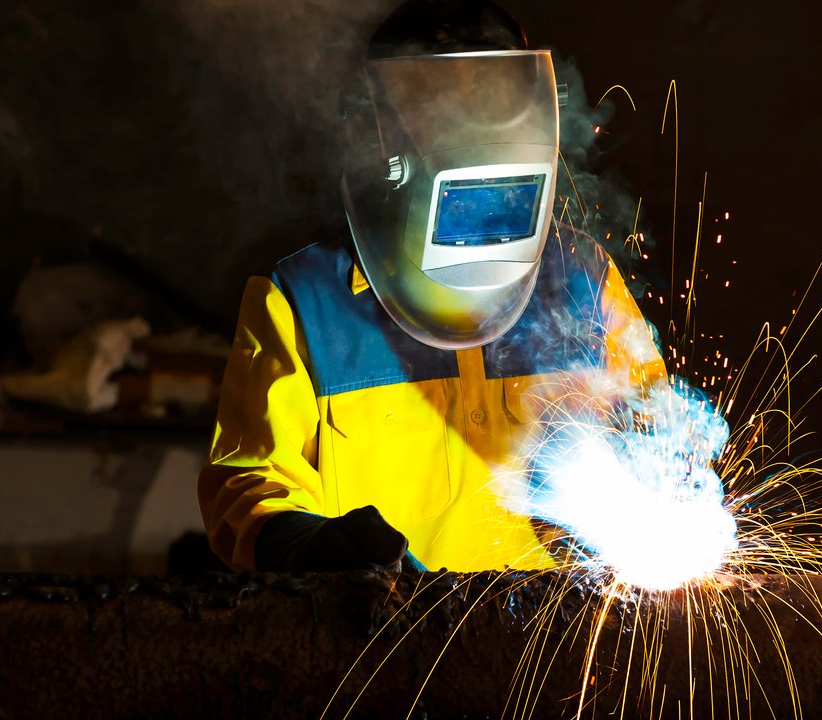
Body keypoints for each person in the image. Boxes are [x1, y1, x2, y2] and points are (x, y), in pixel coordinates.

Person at [198, 0, 665, 573]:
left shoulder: (583, 279)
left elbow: (647, 420)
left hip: (544, 649)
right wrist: (303, 541)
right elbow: (249, 483)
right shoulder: (304, 301)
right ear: (385, 148)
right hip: (379, 641)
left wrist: (660, 476)